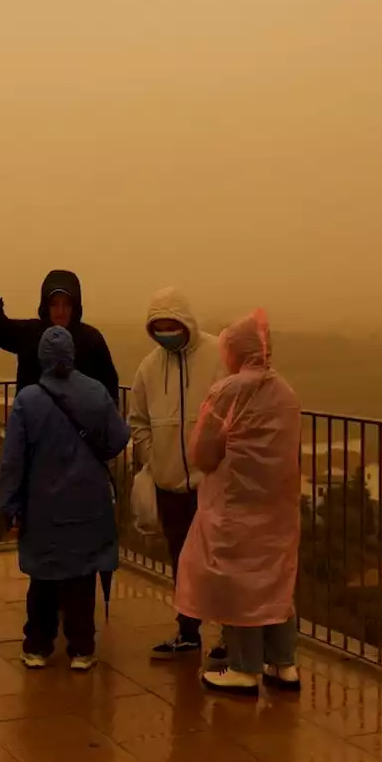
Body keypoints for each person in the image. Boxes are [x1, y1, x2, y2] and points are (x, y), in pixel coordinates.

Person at [175, 309, 303, 695]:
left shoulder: (228, 391)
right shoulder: (286, 393)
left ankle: (244, 668)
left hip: (233, 507)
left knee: (241, 585)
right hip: (278, 506)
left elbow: (203, 452)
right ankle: (284, 665)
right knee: (275, 582)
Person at [0, 326, 131, 671]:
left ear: (42, 357)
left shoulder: (28, 400)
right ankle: (82, 648)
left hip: (42, 505)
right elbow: (118, 439)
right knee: (82, 575)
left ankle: (38, 646)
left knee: (43, 576)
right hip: (88, 502)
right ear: (71, 355)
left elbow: (13, 459)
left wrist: (9, 506)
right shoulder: (96, 392)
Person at [128, 287, 229, 662]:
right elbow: (138, 419)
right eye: (159, 328)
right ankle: (188, 632)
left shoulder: (219, 354)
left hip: (212, 485)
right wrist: (153, 457)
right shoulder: (149, 367)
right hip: (170, 485)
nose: (166, 333)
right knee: (182, 562)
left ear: (187, 322)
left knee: (220, 563)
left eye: (172, 326)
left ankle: (229, 637)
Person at [0, 271, 120, 403]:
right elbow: (2, 331)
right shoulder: (30, 334)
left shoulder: (92, 340)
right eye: (54, 304)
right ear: (46, 306)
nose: (61, 311)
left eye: (67, 304)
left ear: (75, 307)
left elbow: (109, 387)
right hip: (35, 425)